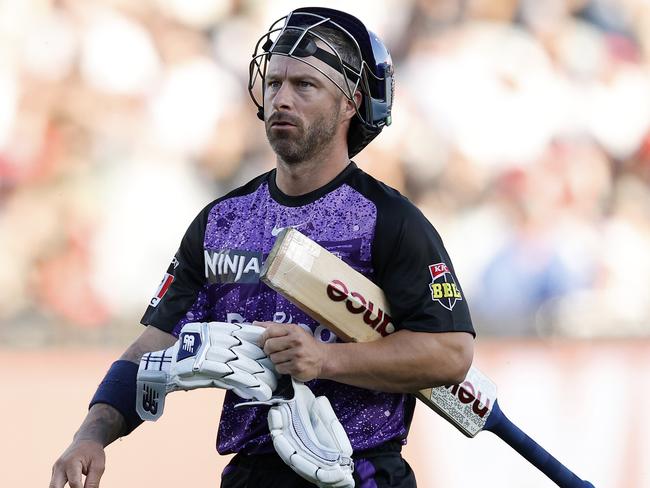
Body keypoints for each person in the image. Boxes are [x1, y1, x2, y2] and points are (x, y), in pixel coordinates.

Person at [49, 7, 475, 488]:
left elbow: (450, 353)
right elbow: (150, 349)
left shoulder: (392, 222)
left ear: (351, 102)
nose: (281, 100)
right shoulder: (220, 222)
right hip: (251, 476)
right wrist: (90, 435)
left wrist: (327, 359)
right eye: (274, 84)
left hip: (364, 474)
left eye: (304, 86)